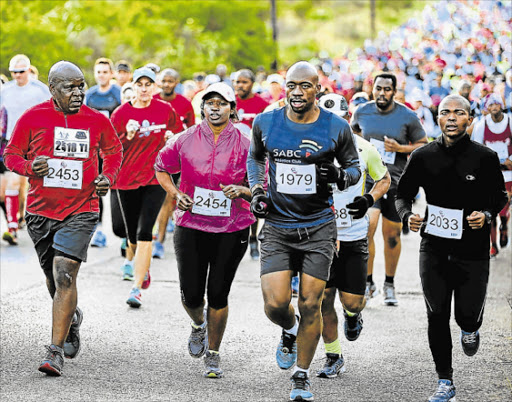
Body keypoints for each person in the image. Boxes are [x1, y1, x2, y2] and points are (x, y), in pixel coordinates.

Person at [247, 61, 361, 401]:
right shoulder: (266, 121)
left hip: (318, 228)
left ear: (318, 89)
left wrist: (341, 178)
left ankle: (301, 375)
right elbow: (255, 159)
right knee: (275, 304)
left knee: (311, 302)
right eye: (292, 85)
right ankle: (290, 329)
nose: (298, 92)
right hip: (279, 226)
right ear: (285, 87)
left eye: (305, 86)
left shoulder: (335, 127)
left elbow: (354, 168)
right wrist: (256, 191)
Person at [3, 61, 123, 376]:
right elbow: (11, 154)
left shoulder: (96, 120)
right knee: (51, 280)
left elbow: (113, 152)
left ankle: (53, 352)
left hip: (81, 209)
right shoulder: (33, 117)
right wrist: (31, 167)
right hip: (41, 212)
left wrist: (107, 176)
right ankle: (71, 319)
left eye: (81, 85)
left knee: (64, 274)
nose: (78, 92)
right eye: (70, 86)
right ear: (53, 88)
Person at [395, 94, 508, 402]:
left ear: (469, 120)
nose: (452, 117)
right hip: (433, 246)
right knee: (436, 313)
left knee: (466, 316)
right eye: (446, 112)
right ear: (438, 119)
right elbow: (402, 195)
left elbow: (500, 197)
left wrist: (484, 215)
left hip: (472, 249)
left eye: (459, 112)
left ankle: (470, 328)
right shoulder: (423, 156)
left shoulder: (484, 157)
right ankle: (445, 381)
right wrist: (408, 216)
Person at [154, 82, 255, 378]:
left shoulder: (246, 144)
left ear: (232, 109)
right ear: (202, 108)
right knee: (191, 295)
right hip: (191, 225)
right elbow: (161, 166)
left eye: (222, 103)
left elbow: (264, 182)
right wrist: (175, 193)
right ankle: (198, 324)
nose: (215, 107)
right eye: (210, 102)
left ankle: (213, 353)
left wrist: (244, 190)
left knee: (219, 293)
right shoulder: (185, 139)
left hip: (232, 227)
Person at [316, 93, 391, 378]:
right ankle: (333, 355)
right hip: (321, 237)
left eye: (340, 118)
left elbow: (384, 179)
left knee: (351, 301)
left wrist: (369, 200)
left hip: (354, 236)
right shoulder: (308, 149)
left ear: (349, 118)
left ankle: (352, 315)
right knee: (323, 298)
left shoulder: (364, 148)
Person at [351, 72, 427, 305]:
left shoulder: (407, 116)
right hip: (370, 183)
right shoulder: (362, 111)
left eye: (387, 89)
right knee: (367, 229)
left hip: (396, 182)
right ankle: (367, 282)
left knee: (392, 236)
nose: (382, 93)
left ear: (394, 91)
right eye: (378, 88)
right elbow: (352, 136)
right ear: (372, 89)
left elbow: (423, 145)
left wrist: (400, 147)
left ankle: (390, 284)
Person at [110, 67, 182, 305]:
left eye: (148, 84)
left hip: (155, 178)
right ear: (134, 86)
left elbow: (178, 136)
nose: (143, 89)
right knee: (131, 234)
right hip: (126, 179)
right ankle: (142, 263)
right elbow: (110, 148)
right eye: (139, 84)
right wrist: (127, 136)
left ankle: (136, 287)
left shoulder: (165, 110)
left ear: (154, 87)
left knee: (144, 232)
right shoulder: (121, 114)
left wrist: (171, 138)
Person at [0, 54, 51, 245]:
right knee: (13, 181)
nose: (17, 76)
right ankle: (12, 227)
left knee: (34, 183)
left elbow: (51, 112)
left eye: (21, 72)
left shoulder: (40, 90)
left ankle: (42, 223)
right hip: (12, 141)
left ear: (28, 70)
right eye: (14, 72)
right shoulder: (6, 90)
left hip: (36, 141)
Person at [152, 68, 195, 258]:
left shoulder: (184, 104)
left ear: (177, 82)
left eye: (171, 81)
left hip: (178, 159)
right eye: (164, 81)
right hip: (154, 157)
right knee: (158, 200)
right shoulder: (152, 101)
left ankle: (159, 242)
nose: (167, 84)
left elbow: (193, 131)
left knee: (168, 199)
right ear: (159, 82)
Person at [85, 57, 122, 248]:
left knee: (118, 190)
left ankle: (125, 232)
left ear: (111, 74)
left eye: (105, 72)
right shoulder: (89, 95)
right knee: (95, 189)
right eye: (98, 72)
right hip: (95, 150)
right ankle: (98, 230)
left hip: (115, 150)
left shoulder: (118, 93)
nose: (101, 75)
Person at [234, 69, 270, 260]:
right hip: (231, 158)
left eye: (244, 82)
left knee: (253, 195)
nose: (240, 85)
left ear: (252, 84)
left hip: (255, 157)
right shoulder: (229, 102)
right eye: (237, 82)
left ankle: (253, 237)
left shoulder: (262, 105)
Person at [472, 94, 512, 257]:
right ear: (486, 109)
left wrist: (510, 160)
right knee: (490, 211)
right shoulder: (481, 125)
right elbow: (476, 148)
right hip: (490, 174)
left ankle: (504, 226)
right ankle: (493, 245)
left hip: (508, 173)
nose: (494, 108)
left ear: (502, 106)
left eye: (497, 105)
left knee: (503, 209)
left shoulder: (510, 122)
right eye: (491, 106)